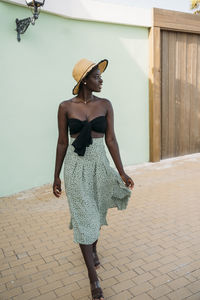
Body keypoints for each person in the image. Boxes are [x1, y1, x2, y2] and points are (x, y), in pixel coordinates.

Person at [53, 58, 134, 300]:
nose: (101, 80)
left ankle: (94, 247)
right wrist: (55, 175)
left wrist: (121, 171)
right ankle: (93, 278)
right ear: (84, 80)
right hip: (75, 168)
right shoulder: (65, 107)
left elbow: (111, 140)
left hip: (99, 165)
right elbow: (62, 142)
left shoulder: (106, 105)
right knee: (83, 215)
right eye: (97, 76)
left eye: (100, 76)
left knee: (96, 211)